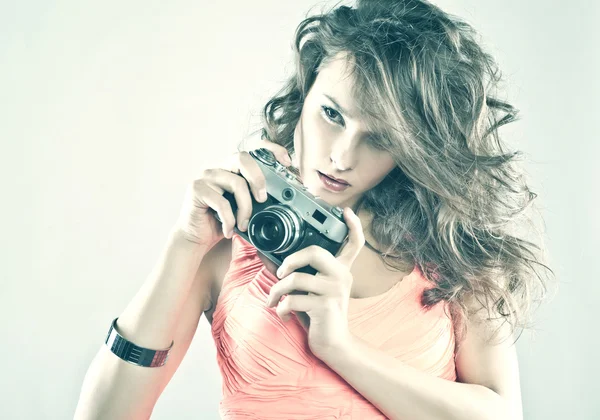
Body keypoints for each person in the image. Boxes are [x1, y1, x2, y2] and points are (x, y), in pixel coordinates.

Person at [75, 0, 554, 418]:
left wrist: (341, 348)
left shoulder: (452, 253)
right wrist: (184, 246)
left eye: (381, 138)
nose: (342, 156)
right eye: (332, 114)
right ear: (304, 93)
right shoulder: (228, 242)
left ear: (415, 147)